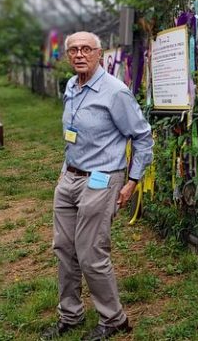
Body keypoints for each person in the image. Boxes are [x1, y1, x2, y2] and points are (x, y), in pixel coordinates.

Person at [41, 31, 153, 341]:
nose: (79, 54)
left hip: (102, 179)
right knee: (63, 248)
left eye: (86, 49)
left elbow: (142, 136)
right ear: (67, 56)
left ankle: (114, 319)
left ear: (99, 54)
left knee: (91, 252)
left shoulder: (115, 92)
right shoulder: (71, 87)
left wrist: (132, 182)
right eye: (73, 50)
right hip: (70, 176)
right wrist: (66, 171)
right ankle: (71, 314)